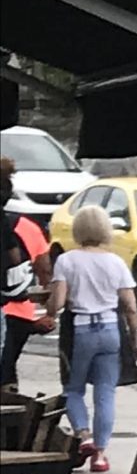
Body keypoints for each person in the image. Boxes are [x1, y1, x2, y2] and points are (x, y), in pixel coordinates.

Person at [45, 205, 137, 472]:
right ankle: (100, 453)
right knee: (105, 392)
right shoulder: (116, 261)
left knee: (73, 388)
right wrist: (134, 338)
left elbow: (59, 302)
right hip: (110, 328)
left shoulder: (67, 260)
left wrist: (49, 306)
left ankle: (83, 435)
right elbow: (130, 306)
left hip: (80, 329)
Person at [0, 158, 55, 392]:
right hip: (19, 309)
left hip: (10, 310)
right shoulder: (26, 226)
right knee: (7, 369)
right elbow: (44, 272)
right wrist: (45, 312)